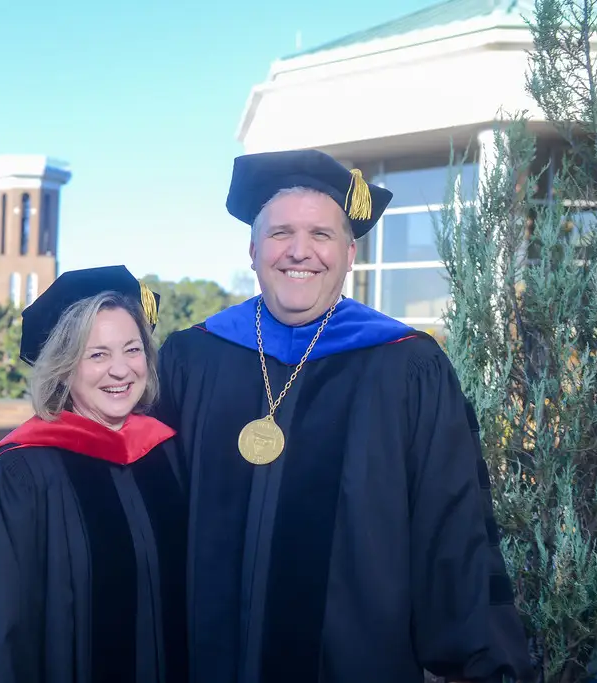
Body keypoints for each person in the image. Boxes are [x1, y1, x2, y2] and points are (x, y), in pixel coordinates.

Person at [153, 150, 534, 683]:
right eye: (282, 232)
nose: (300, 252)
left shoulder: (407, 366)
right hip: (207, 661)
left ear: (350, 252)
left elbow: (452, 530)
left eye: (321, 235)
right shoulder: (192, 359)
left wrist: (483, 665)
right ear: (253, 248)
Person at [0, 265, 188, 683]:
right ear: (64, 368)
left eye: (132, 349)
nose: (121, 370)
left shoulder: (165, 455)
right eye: (97, 354)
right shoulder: (20, 473)